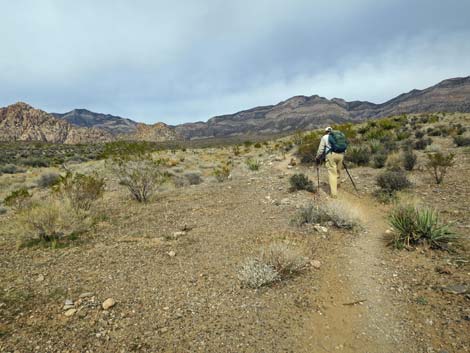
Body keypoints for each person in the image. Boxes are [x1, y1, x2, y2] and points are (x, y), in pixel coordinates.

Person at [315, 126, 345, 198]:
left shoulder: (324, 137)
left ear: (326, 132)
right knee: (338, 171)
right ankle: (337, 185)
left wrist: (317, 157)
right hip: (341, 154)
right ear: (332, 131)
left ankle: (334, 194)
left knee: (332, 173)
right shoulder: (339, 135)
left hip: (331, 155)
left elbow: (321, 149)